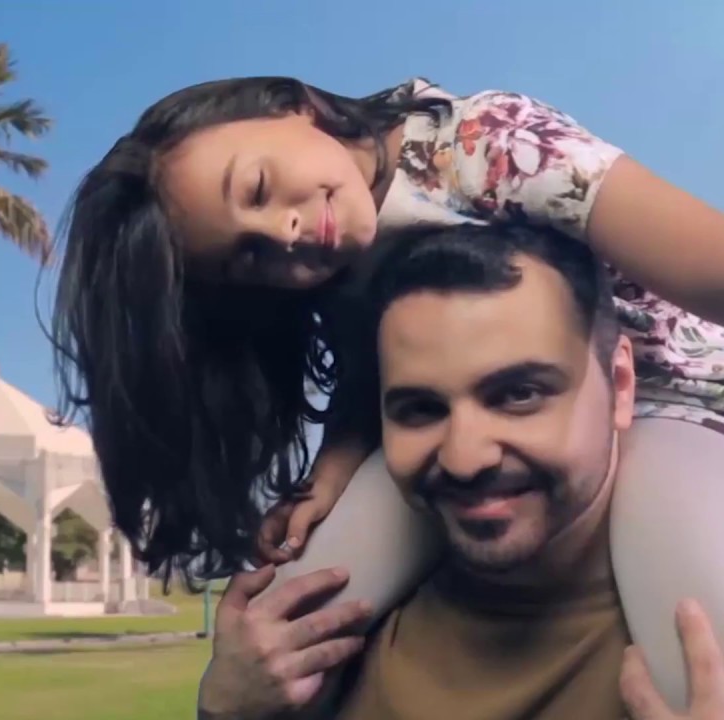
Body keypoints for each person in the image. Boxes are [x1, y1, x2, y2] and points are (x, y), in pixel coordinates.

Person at [50, 76, 724, 701]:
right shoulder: (332, 259)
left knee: (695, 649)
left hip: (681, 394)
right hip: (478, 418)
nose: (282, 233)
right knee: (288, 619)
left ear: (294, 108)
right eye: (249, 255)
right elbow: (370, 373)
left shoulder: (489, 145)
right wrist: (325, 478)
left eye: (255, 188)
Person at [196, 224, 724, 720]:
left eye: (519, 395)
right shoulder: (319, 648)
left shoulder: (688, 665)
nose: (465, 459)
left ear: (621, 385)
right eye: (420, 409)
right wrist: (223, 708)